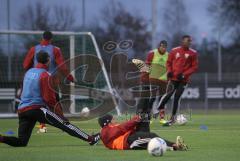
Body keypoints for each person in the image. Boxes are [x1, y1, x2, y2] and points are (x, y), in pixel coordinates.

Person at [0, 51, 99, 147]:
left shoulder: (28, 72)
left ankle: (1, 139)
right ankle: (91, 139)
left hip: (22, 110)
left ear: (37, 60)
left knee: (21, 141)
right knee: (65, 124)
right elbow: (49, 99)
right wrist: (60, 115)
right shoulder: (45, 75)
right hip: (36, 109)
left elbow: (23, 91)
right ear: (48, 60)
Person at [23, 31, 75, 133]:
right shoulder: (55, 50)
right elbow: (62, 66)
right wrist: (70, 77)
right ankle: (65, 124)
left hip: (36, 80)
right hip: (50, 80)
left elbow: (25, 65)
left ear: (42, 37)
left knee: (38, 102)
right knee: (55, 102)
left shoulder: (33, 49)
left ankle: (42, 127)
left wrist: (31, 73)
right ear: (51, 39)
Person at [156, 35, 198, 125]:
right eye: (188, 41)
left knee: (177, 98)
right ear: (183, 41)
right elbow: (168, 62)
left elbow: (194, 67)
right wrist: (170, 71)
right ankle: (158, 108)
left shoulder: (193, 53)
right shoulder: (174, 51)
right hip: (173, 78)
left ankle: (173, 119)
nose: (189, 42)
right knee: (168, 94)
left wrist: (184, 75)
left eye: (190, 41)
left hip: (183, 80)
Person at [98, 114, 188, 150]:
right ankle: (174, 146)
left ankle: (173, 147)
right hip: (128, 142)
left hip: (129, 138)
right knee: (153, 137)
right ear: (108, 122)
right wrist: (134, 120)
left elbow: (122, 130)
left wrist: (137, 120)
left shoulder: (109, 128)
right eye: (112, 119)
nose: (115, 119)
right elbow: (121, 129)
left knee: (145, 122)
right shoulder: (106, 131)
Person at [144, 40, 169, 124]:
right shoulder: (152, 53)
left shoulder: (168, 55)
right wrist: (145, 78)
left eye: (165, 47)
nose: (163, 48)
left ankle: (162, 118)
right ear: (159, 46)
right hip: (153, 78)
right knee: (153, 98)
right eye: (162, 46)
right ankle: (149, 117)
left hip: (163, 79)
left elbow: (170, 67)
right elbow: (147, 66)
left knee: (162, 99)